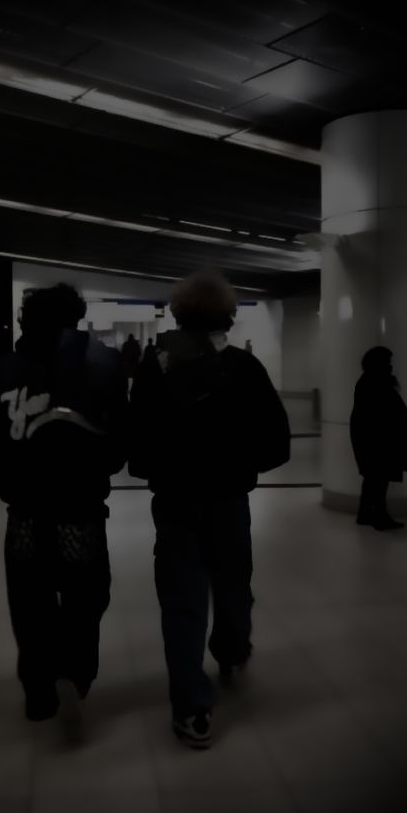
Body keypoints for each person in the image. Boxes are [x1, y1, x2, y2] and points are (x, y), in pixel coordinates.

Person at [128, 269, 290, 749]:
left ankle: (193, 708)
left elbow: (137, 441)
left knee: (182, 600)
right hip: (228, 501)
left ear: (177, 316)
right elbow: (276, 441)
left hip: (175, 503)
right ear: (229, 318)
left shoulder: (153, 371)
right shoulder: (243, 368)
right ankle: (233, 648)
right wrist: (240, 466)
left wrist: (163, 468)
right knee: (233, 582)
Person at [0, 283, 128, 721]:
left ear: (25, 320)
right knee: (87, 594)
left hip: (25, 514)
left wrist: (14, 469)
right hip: (82, 512)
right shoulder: (102, 368)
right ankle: (75, 670)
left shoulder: (3, 370)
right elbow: (118, 445)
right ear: (75, 320)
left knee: (30, 602)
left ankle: (39, 691)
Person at [350, 346, 407, 530]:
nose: (390, 366)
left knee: (372, 479)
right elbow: (389, 415)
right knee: (379, 480)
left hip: (371, 441)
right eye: (388, 362)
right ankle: (379, 517)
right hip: (379, 443)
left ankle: (365, 513)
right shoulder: (376, 383)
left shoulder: (368, 381)